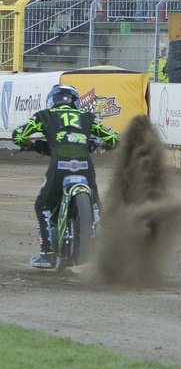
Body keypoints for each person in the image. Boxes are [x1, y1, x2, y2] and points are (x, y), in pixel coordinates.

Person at [11, 85, 120, 269]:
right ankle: (106, 254)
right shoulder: (87, 117)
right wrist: (106, 145)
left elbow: (18, 135)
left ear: (52, 100)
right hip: (85, 167)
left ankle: (47, 254)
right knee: (96, 207)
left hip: (59, 166)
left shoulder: (45, 115)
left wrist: (29, 144)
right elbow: (114, 138)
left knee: (43, 205)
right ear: (75, 101)